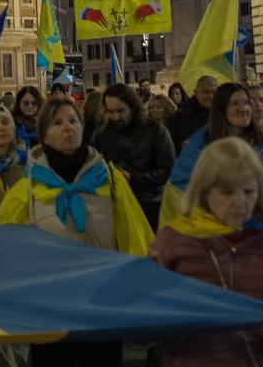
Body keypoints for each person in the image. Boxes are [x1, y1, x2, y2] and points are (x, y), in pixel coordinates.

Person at [0, 98, 153, 367]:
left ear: (83, 128)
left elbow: (133, 232)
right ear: (44, 134)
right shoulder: (28, 187)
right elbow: (8, 247)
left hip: (102, 299)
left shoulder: (109, 178)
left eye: (73, 121)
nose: (67, 127)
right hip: (50, 304)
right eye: (57, 123)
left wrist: (141, 287)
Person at [151, 137, 263, 366]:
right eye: (226, 191)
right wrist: (149, 288)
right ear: (203, 191)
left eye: (249, 191)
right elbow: (146, 327)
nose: (240, 202)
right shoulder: (174, 241)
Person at [160, 82, 263, 227]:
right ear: (221, 109)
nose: (243, 109)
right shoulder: (200, 144)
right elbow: (180, 187)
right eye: (234, 104)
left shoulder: (259, 139)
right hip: (211, 229)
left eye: (247, 102)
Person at [93, 83, 175, 229]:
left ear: (132, 107)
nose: (116, 117)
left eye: (121, 111)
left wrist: (133, 178)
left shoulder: (156, 131)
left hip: (149, 208)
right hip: (115, 208)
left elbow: (167, 171)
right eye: (111, 112)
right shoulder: (102, 135)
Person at [166, 75, 217, 152]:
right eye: (205, 92)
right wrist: (181, 146)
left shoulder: (224, 114)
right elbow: (168, 143)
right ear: (196, 93)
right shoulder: (181, 114)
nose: (210, 96)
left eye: (213, 92)